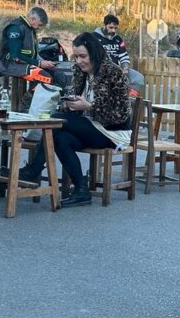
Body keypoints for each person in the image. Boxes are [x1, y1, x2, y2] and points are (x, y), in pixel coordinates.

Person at [17, 31, 132, 206]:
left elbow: (120, 113)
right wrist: (69, 103)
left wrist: (89, 106)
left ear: (94, 53)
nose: (79, 61)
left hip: (113, 132)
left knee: (56, 120)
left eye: (83, 56)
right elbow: (75, 99)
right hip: (90, 127)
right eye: (76, 56)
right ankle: (81, 189)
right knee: (59, 136)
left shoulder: (113, 72)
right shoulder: (80, 71)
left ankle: (34, 170)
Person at [0, 6, 57, 78]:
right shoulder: (16, 28)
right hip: (8, 65)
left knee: (56, 74)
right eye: (40, 25)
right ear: (33, 19)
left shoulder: (30, 29)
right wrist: (39, 63)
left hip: (21, 65)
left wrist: (45, 62)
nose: (40, 28)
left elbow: (32, 54)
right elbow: (16, 57)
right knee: (44, 76)